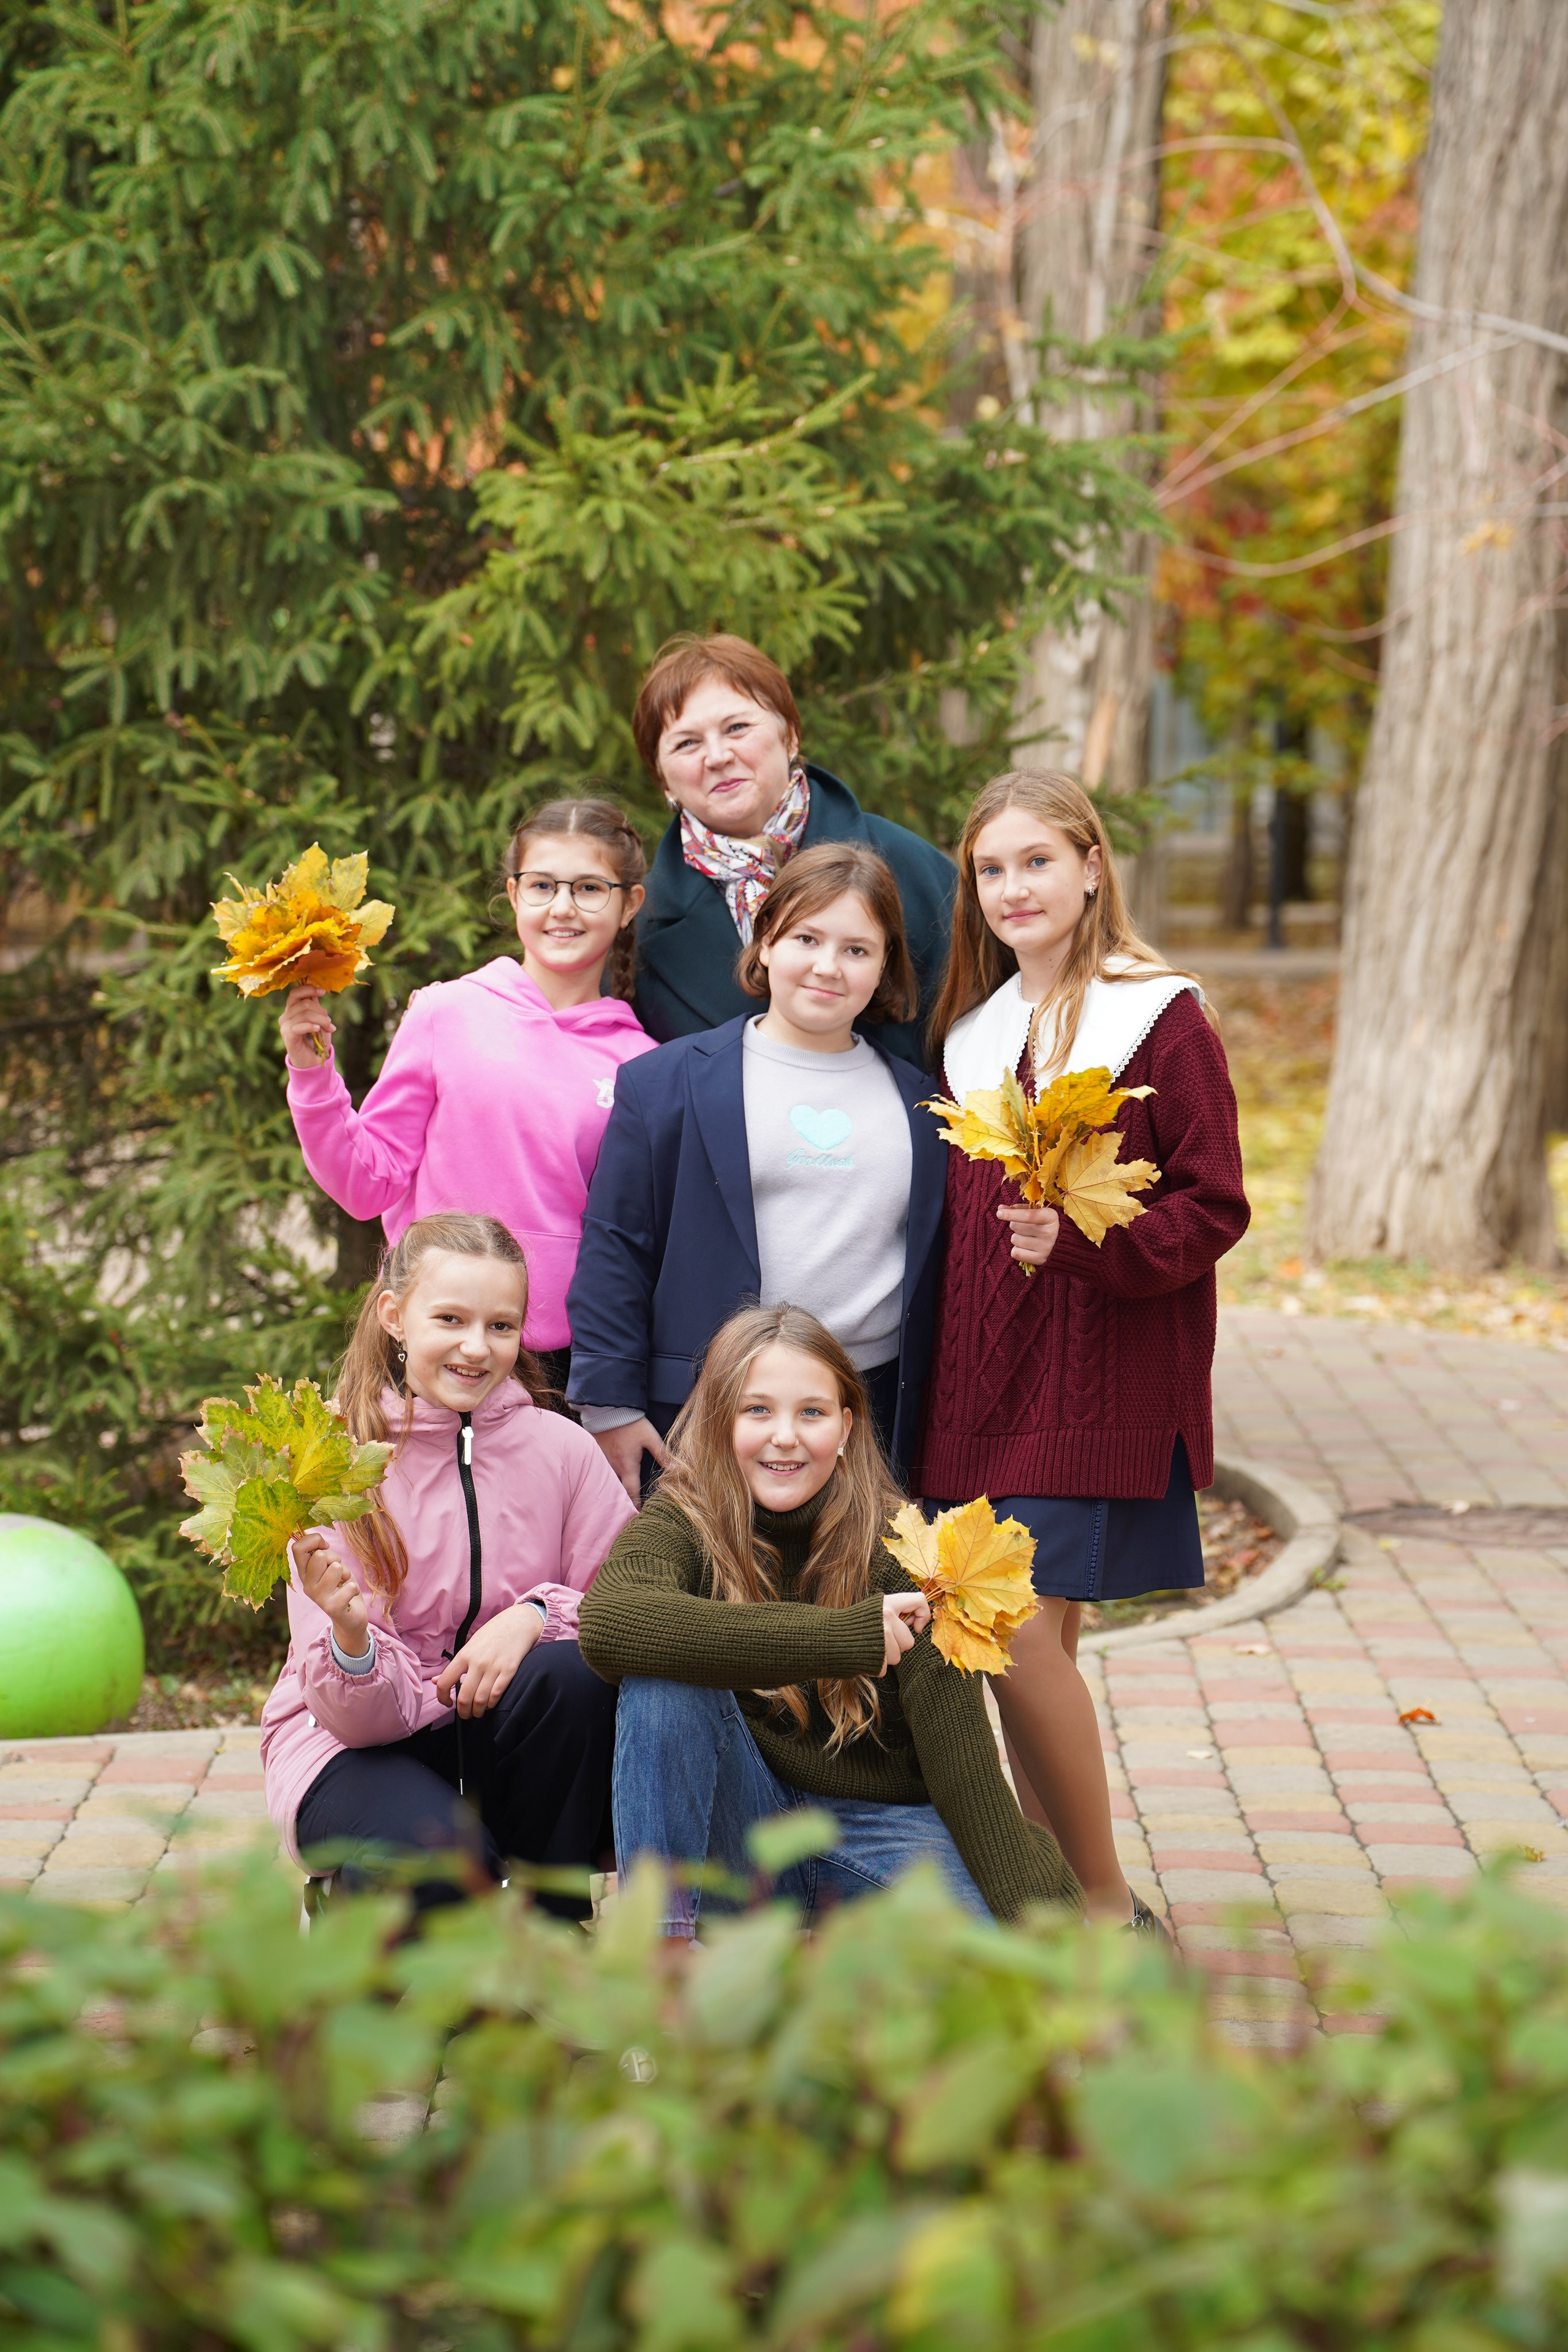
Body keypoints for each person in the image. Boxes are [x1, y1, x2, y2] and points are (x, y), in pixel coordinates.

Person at [914, 769, 1250, 1933]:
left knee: (1008, 1643)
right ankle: (1044, 1903)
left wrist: (1090, 1241)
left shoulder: (1158, 1014)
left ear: (1093, 865)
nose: (1013, 888)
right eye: (992, 870)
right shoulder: (969, 1037)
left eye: (1037, 862)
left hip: (1098, 1379)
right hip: (981, 1396)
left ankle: (1102, 1909)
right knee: (1021, 1647)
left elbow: (1216, 1205)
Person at [578, 1303, 1080, 1935]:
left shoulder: (908, 1554)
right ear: (717, 1420)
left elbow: (967, 1773)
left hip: (882, 1829)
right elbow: (610, 1623)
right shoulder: (685, 1521)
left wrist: (1052, 1934)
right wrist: (845, 1638)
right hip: (743, 1831)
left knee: (979, 1981)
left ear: (845, 1427)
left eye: (810, 1413)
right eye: (757, 1410)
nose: (784, 1435)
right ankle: (663, 1962)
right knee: (662, 1682)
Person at [259, 1213, 638, 1915]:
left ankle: (546, 1927)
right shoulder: (332, 1465)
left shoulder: (563, 1452)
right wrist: (349, 1640)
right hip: (354, 1742)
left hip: (499, 1730)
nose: (476, 1347)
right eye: (451, 1319)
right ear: (394, 1316)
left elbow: (636, 1606)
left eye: (500, 1326)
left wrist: (536, 1615)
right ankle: (353, 1934)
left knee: (573, 1673)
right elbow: (359, 1722)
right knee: (446, 1870)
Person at [565, 843, 947, 1501]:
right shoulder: (667, 1084)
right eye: (806, 937)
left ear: (884, 967)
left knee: (853, 1606)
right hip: (707, 1417)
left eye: (857, 950)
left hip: (870, 1417)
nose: (828, 967)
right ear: (765, 939)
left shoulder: (923, 1106)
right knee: (716, 1603)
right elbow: (615, 1247)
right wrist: (610, 1409)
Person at [279, 799, 654, 1393]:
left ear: (629, 903)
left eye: (589, 888)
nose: (562, 907)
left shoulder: (642, 1063)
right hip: (425, 1347)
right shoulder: (446, 1013)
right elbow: (365, 1182)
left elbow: (632, 1244)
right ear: (512, 894)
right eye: (542, 886)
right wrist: (312, 1075)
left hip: (558, 1368)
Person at [629, 633, 956, 1067]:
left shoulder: (908, 866)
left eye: (737, 728)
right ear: (664, 780)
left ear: (792, 736)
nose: (718, 755)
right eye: (687, 743)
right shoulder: (641, 929)